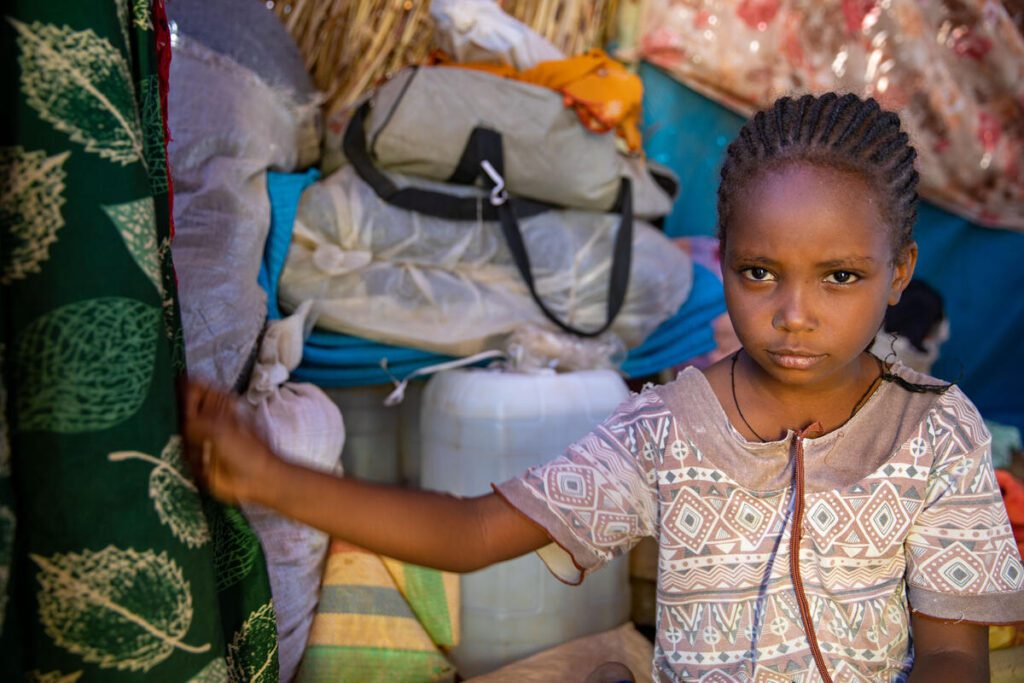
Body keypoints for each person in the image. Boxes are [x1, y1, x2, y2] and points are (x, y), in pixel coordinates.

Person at [184, 93, 1024, 682]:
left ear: (898, 273)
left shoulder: (936, 432)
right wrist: (274, 478)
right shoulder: (669, 426)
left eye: (839, 276)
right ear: (721, 256)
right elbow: (475, 529)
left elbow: (952, 655)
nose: (794, 314)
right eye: (759, 271)